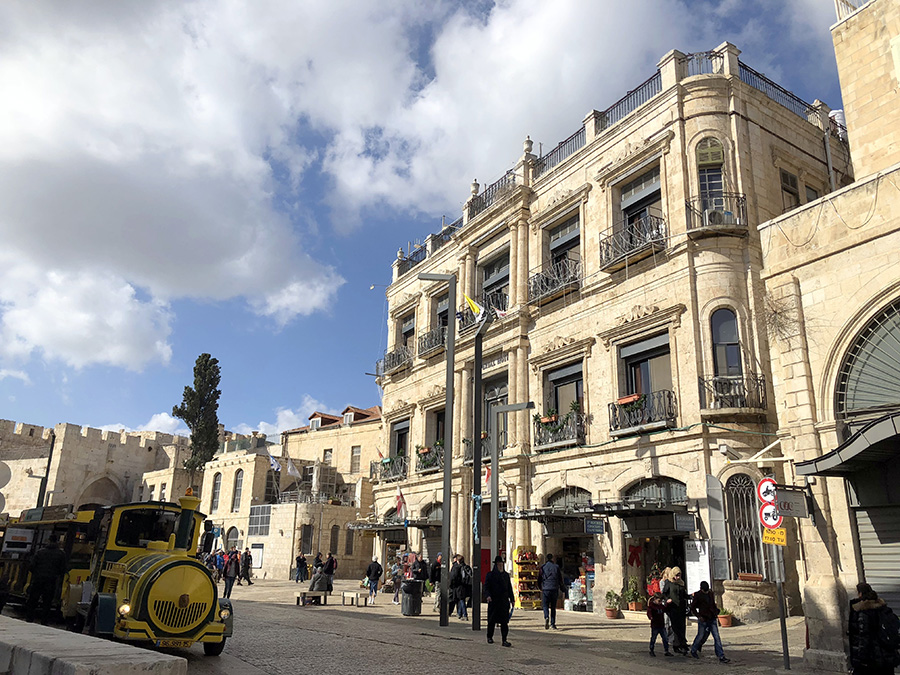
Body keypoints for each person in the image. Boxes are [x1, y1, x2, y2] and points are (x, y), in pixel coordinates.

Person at [849, 582, 900, 674]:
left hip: (873, 658)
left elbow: (864, 637)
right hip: (887, 656)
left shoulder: (864, 613)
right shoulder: (884, 609)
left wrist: (861, 659)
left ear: (860, 594)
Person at [25, 534, 67, 624]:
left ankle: (29, 618)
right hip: (51, 580)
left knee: (33, 599)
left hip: (38, 579)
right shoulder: (61, 554)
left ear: (48, 540)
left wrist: (36, 573)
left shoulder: (40, 552)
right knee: (47, 601)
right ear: (57, 542)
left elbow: (31, 566)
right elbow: (63, 569)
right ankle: (44, 621)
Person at [689, 581, 729, 663]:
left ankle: (721, 655)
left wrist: (716, 611)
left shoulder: (710, 593)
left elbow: (713, 605)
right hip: (703, 618)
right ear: (701, 589)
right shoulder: (698, 595)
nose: (706, 592)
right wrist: (698, 616)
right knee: (701, 635)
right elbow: (692, 607)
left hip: (712, 618)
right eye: (705, 591)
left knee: (717, 637)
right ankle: (693, 649)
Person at [483, 555, 514, 647]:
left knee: (504, 622)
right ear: (496, 565)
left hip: (504, 601)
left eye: (502, 564)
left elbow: (509, 588)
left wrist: (512, 599)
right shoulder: (490, 575)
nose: (501, 566)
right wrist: (488, 596)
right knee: (491, 621)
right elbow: (486, 587)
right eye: (499, 564)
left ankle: (504, 639)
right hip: (494, 601)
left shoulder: (506, 575)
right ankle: (489, 637)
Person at [663, 566, 689, 655]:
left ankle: (683, 644)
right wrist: (667, 599)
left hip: (681, 608)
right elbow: (664, 594)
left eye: (679, 575)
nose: (678, 577)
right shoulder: (669, 583)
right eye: (677, 575)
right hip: (673, 608)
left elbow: (684, 594)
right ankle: (677, 645)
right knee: (676, 627)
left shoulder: (681, 583)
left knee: (682, 627)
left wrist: (690, 596)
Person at [538, 553, 563, 630]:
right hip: (554, 588)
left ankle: (546, 617)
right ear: (552, 559)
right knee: (553, 607)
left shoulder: (543, 567)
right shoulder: (556, 567)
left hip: (546, 588)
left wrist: (540, 587)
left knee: (545, 605)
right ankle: (553, 624)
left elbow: (539, 578)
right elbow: (560, 579)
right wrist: (562, 588)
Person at [648, 592, 672, 657]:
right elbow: (649, 612)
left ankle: (666, 650)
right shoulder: (652, 606)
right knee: (653, 638)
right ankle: (651, 650)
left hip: (661, 625)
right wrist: (651, 617)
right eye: (659, 601)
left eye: (661, 601)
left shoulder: (661, 606)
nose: (660, 602)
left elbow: (665, 609)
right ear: (655, 599)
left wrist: (668, 604)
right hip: (655, 625)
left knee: (665, 638)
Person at [450, 555, 472, 620]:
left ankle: (465, 615)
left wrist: (451, 585)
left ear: (458, 561)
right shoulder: (467, 567)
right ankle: (459, 613)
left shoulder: (457, 567)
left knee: (461, 600)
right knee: (461, 599)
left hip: (459, 586)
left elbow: (453, 577)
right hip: (466, 585)